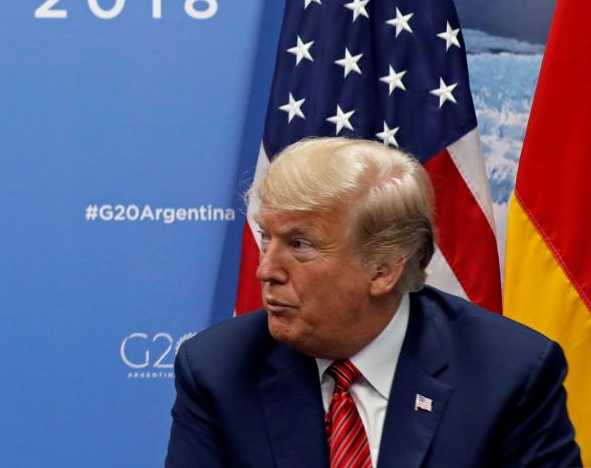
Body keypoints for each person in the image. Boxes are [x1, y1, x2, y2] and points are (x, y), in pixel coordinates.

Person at [166, 137, 579, 467]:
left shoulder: (507, 374)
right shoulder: (219, 369)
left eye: (299, 245)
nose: (266, 270)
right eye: (266, 238)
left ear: (384, 270)